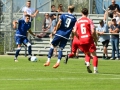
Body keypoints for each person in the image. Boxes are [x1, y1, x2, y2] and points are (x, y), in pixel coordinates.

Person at [65, 8, 98, 73]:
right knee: (94, 55)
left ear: (81, 13)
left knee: (87, 53)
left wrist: (78, 37)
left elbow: (74, 31)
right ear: (87, 13)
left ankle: (88, 64)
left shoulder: (78, 21)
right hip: (88, 39)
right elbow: (93, 31)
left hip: (81, 40)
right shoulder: (89, 20)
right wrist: (95, 38)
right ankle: (95, 70)